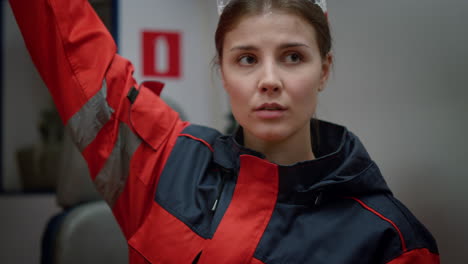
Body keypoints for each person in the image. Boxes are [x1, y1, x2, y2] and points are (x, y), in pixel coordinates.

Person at [10, 0, 439, 263]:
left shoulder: (390, 239)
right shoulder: (166, 164)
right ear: (222, 71)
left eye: (292, 56)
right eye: (247, 59)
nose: (269, 80)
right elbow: (68, 40)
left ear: (324, 70)